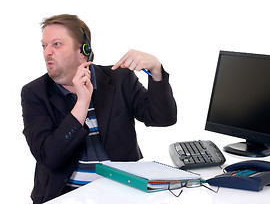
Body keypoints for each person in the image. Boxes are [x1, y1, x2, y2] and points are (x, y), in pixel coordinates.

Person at [21, 14, 177, 203]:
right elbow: (50, 156)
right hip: (66, 195)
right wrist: (82, 104)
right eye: (44, 45)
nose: (47, 52)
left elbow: (163, 118)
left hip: (123, 193)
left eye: (56, 44)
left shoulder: (120, 79)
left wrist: (155, 69)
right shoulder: (35, 93)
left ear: (83, 50)